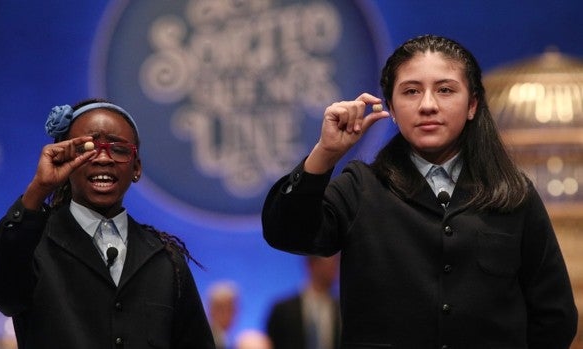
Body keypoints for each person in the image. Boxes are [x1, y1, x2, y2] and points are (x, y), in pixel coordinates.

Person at [261, 34, 578, 348]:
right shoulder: (361, 188)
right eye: (411, 91)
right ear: (392, 110)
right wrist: (326, 153)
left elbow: (554, 317)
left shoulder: (513, 194)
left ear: (472, 105)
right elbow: (286, 232)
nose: (428, 105)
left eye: (445, 90)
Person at [0, 99, 215, 348]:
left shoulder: (165, 259)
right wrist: (38, 190)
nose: (103, 159)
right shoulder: (33, 243)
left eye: (118, 149)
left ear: (136, 168)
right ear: (63, 160)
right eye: (87, 148)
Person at [265, 255, 341, 349]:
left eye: (336, 264)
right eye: (330, 264)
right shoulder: (282, 310)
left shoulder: (342, 311)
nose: (335, 270)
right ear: (311, 265)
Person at [206, 281, 239, 349]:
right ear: (212, 310)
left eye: (233, 309)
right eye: (230, 309)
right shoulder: (212, 340)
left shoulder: (223, 338)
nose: (234, 314)